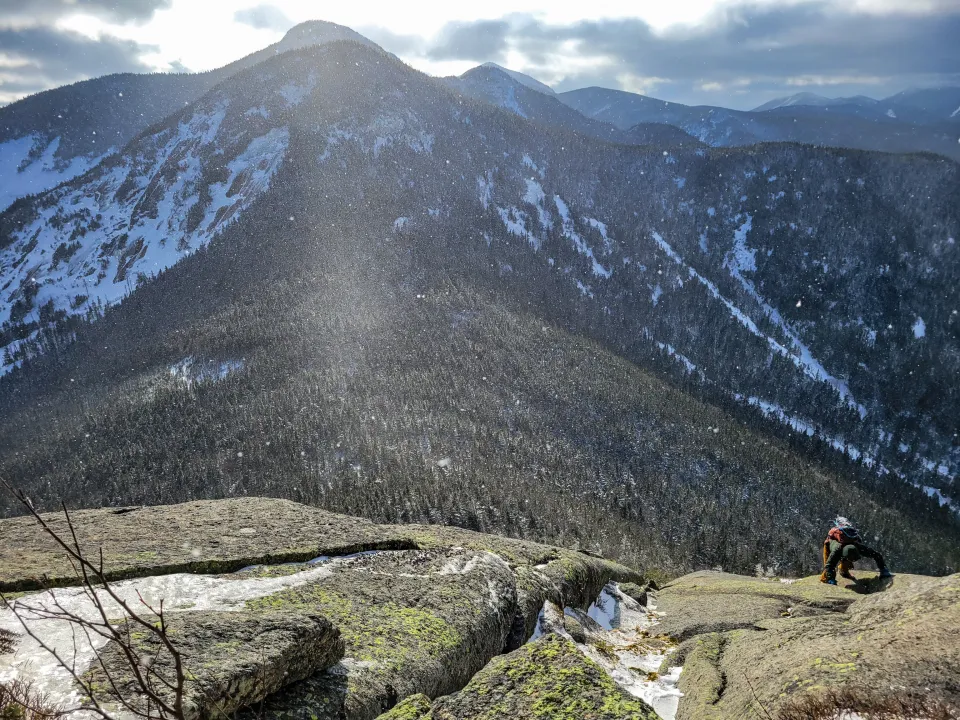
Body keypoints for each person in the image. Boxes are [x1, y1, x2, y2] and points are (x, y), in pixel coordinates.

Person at [819, 517, 893, 585]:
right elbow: (829, 565)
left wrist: (883, 570)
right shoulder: (838, 548)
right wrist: (830, 578)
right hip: (829, 544)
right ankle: (827, 578)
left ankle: (844, 572)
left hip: (847, 549)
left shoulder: (858, 546)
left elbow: (876, 555)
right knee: (828, 568)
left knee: (846, 561)